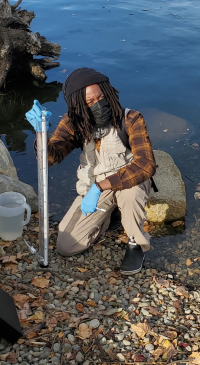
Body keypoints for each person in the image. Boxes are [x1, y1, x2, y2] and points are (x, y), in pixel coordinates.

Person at [25, 68, 156, 275]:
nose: (97, 104)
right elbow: (51, 158)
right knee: (66, 246)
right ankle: (110, 214)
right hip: (97, 187)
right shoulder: (74, 123)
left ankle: (135, 243)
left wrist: (100, 187)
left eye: (101, 97)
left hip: (128, 180)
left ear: (109, 93)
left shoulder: (130, 119)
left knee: (130, 195)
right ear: (79, 105)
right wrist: (41, 132)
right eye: (89, 102)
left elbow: (145, 165)